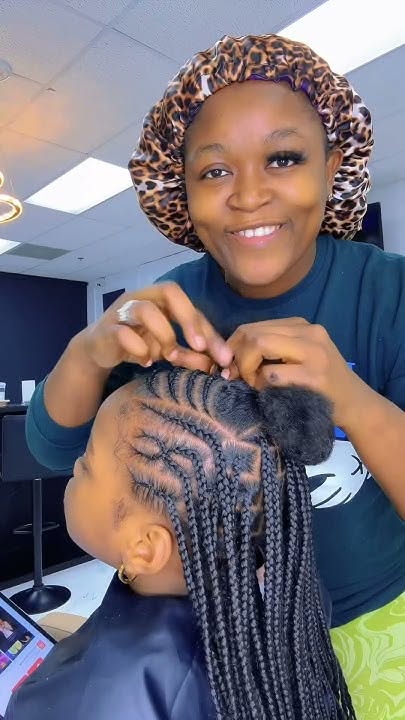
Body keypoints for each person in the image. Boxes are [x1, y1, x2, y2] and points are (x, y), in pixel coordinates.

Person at [26, 34, 405, 718]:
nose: (249, 195)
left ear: (332, 167)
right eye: (215, 171)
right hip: (219, 638)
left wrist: (351, 399)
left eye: (283, 158)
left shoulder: (389, 294)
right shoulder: (166, 309)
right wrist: (90, 350)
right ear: (183, 187)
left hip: (375, 621)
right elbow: (54, 449)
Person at [9, 368, 354, 719]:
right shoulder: (284, 605)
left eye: (87, 466)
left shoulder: (106, 700)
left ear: (144, 549)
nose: (75, 468)